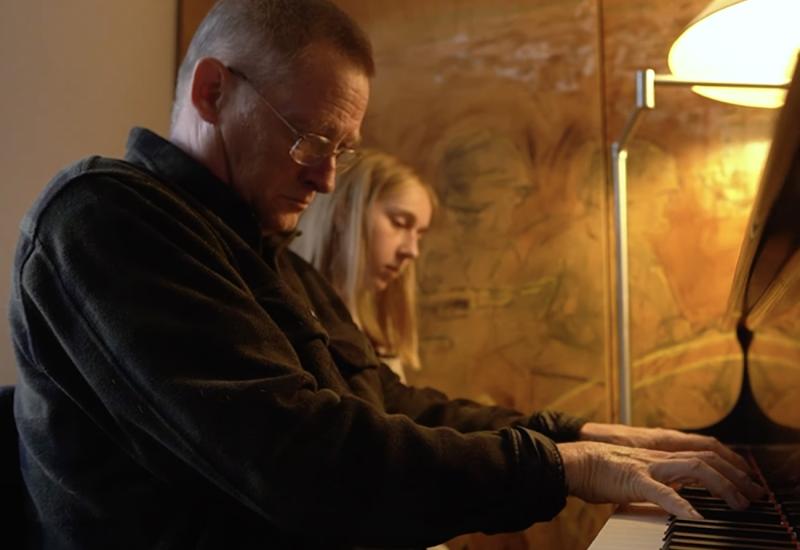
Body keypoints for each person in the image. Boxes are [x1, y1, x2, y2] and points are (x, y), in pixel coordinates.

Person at [8, 1, 763, 549]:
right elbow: (304, 462)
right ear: (213, 92)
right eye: (312, 140)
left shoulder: (273, 259)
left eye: (344, 150)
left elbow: (391, 405)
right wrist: (560, 467)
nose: (329, 180)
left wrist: (581, 435)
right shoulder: (107, 218)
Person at [292, 149, 436, 383]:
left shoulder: (378, 335)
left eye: (419, 234)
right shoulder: (295, 313)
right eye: (399, 223)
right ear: (344, 211)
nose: (412, 250)